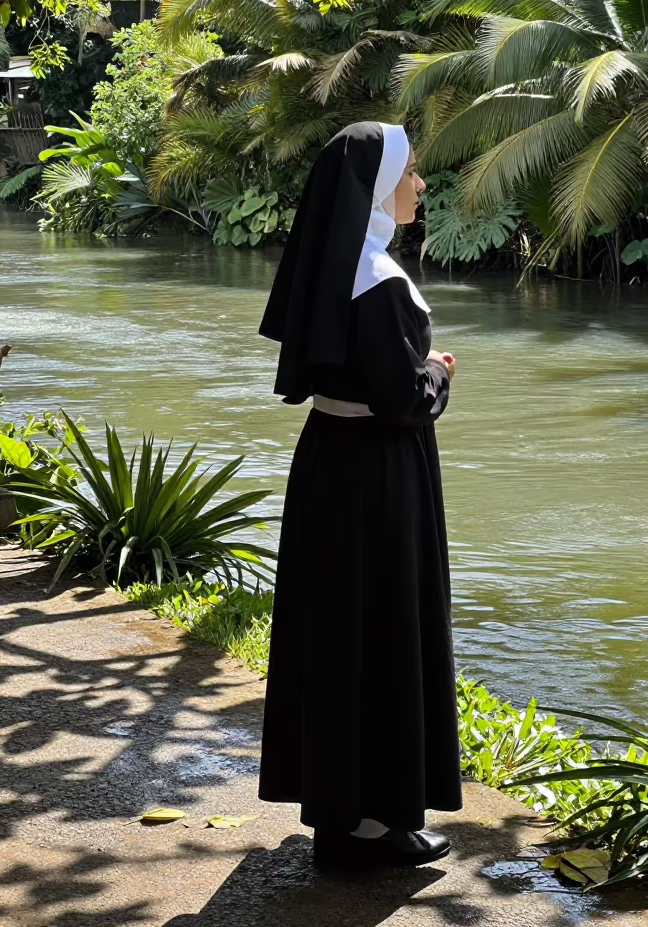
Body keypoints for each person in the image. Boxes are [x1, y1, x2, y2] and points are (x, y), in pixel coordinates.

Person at [257, 121, 462, 869]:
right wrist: (437, 372)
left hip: (330, 465)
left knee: (340, 631)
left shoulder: (339, 264)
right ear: (378, 187)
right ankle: (367, 827)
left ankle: (344, 813)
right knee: (379, 628)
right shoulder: (375, 279)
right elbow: (404, 398)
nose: (419, 184)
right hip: (380, 475)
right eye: (411, 173)